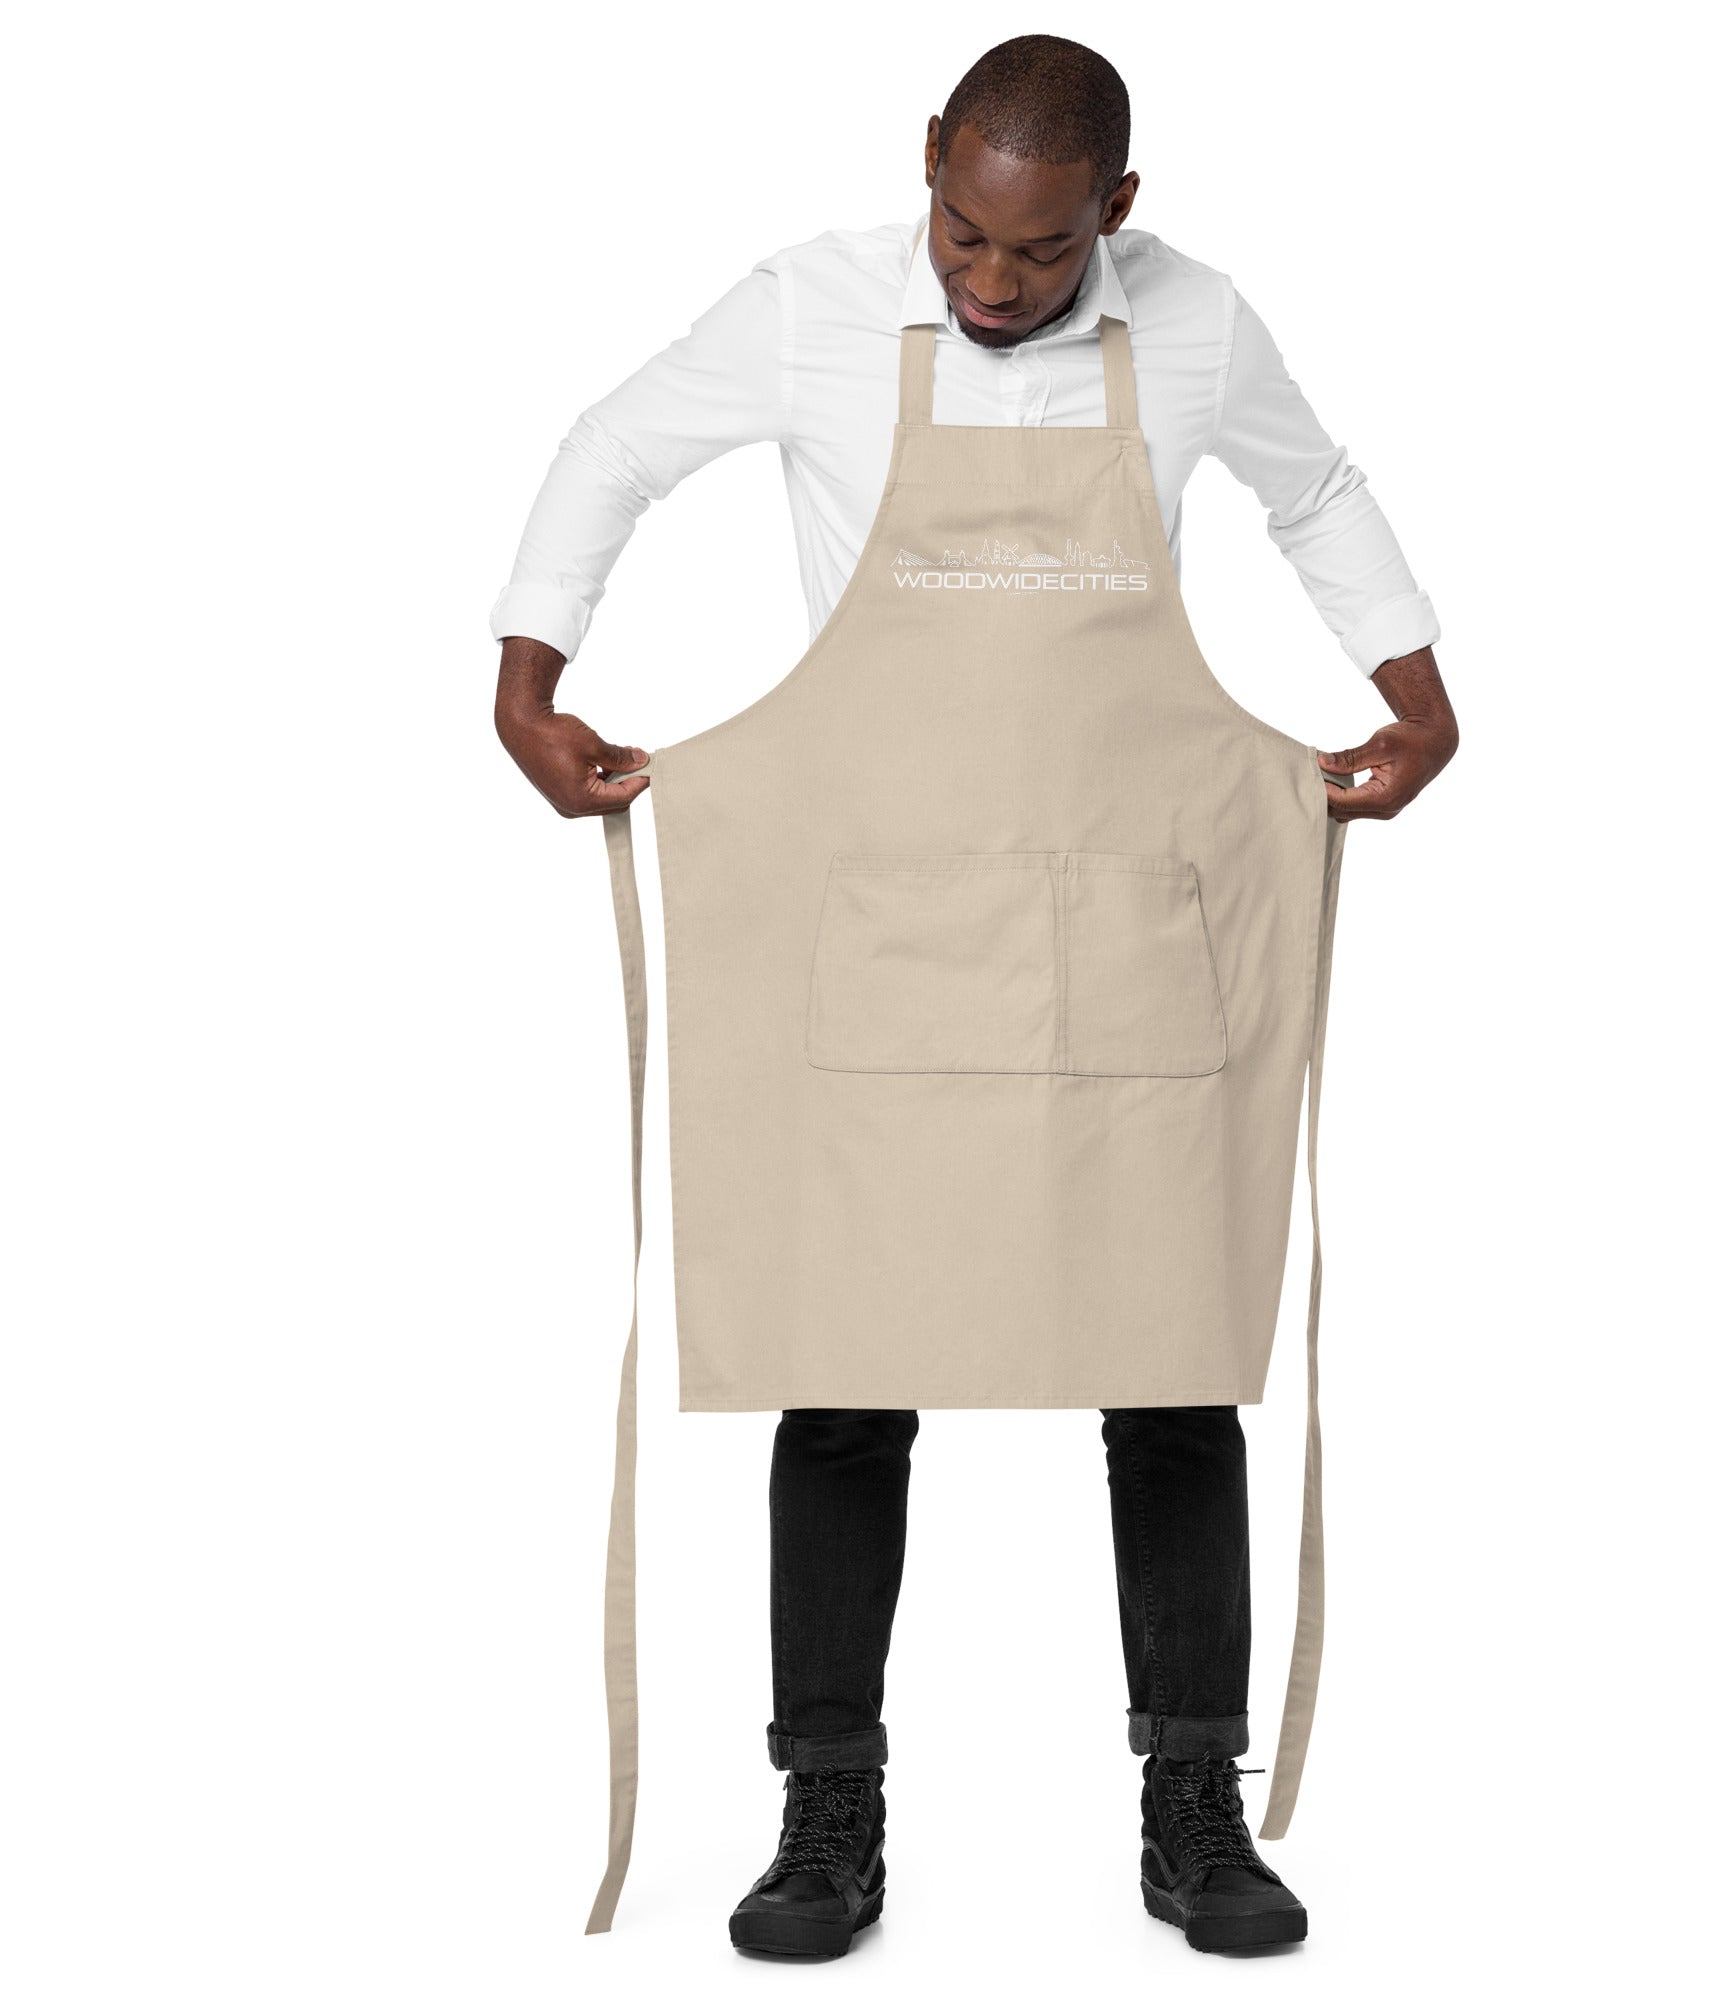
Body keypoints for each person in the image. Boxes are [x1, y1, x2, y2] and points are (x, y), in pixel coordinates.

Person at [492, 34, 1457, 1960]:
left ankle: (1194, 1808)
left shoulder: (1197, 326)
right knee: (844, 1375)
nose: (996, 283)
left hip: (1126, 931)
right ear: (928, 159)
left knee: (1174, 1369)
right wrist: (530, 674)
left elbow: (1319, 491)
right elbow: (613, 448)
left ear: (1120, 208)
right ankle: (823, 1812)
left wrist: (1418, 693)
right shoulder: (811, 308)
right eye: (964, 235)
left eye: (1042, 251)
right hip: (889, 941)